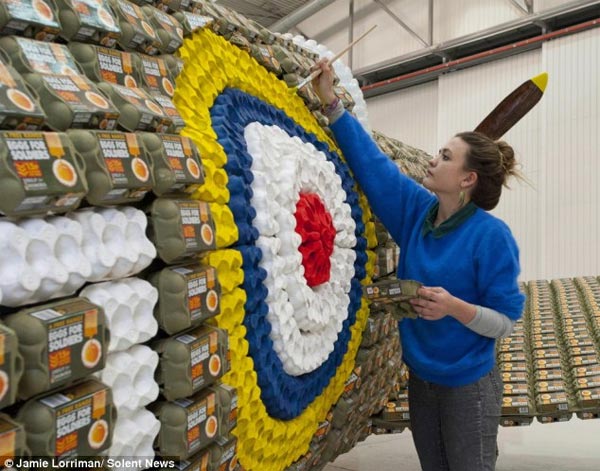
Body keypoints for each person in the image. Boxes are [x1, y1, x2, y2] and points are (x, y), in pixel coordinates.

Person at [312, 60, 526, 471]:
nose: (433, 160)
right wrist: (332, 103)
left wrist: (454, 308)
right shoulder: (417, 214)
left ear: (467, 180)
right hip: (422, 380)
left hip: (468, 385)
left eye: (445, 157)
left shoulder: (491, 236)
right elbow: (374, 168)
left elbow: (504, 322)